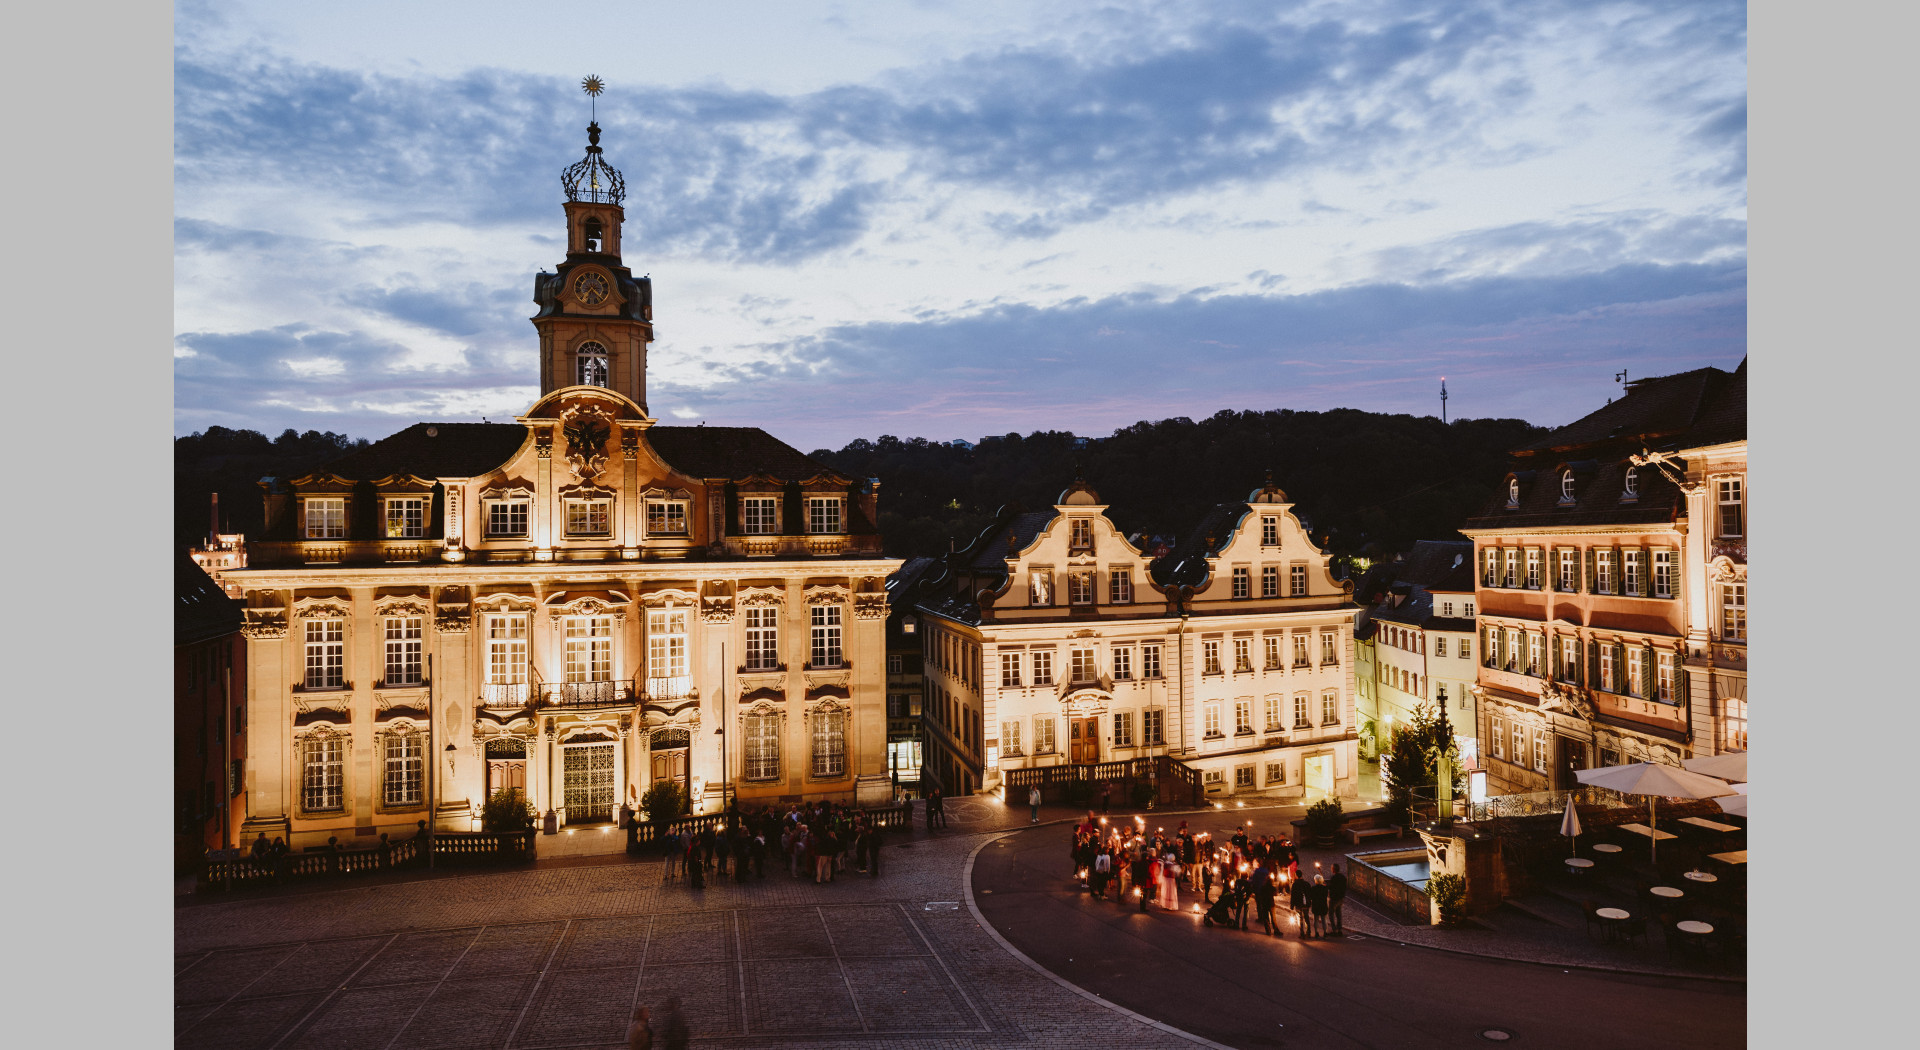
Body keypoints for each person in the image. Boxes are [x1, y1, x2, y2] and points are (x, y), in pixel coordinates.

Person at [1253, 863, 1277, 935]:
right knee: (1273, 918)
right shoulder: (1270, 887)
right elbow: (1275, 892)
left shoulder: (1262, 888)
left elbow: (1254, 881)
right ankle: (1276, 930)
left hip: (1264, 903)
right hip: (1271, 904)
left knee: (1266, 917)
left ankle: (1268, 931)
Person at [1289, 867, 1310, 936]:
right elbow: (1309, 894)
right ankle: (1308, 932)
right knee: (1306, 917)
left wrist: (1291, 906)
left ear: (1296, 876)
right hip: (1306, 903)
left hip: (1298, 904)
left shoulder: (1294, 884)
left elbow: (1293, 896)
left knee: (1300, 918)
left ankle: (1302, 933)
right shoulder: (1307, 884)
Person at [1308, 874, 1330, 938]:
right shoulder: (1325, 888)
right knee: (1324, 920)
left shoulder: (1313, 888)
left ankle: (1316, 932)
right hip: (1323, 905)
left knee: (1316, 920)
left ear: (1316, 880)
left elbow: (1311, 897)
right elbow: (1326, 896)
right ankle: (1325, 932)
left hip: (1316, 906)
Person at [1328, 864, 1348, 935]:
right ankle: (1339, 929)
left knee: (1331, 914)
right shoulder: (1343, 877)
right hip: (1341, 898)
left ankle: (1334, 930)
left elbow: (1331, 887)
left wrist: (1326, 886)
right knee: (1338, 914)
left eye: (1331, 868)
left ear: (1333, 869)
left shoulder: (1334, 878)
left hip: (1334, 899)